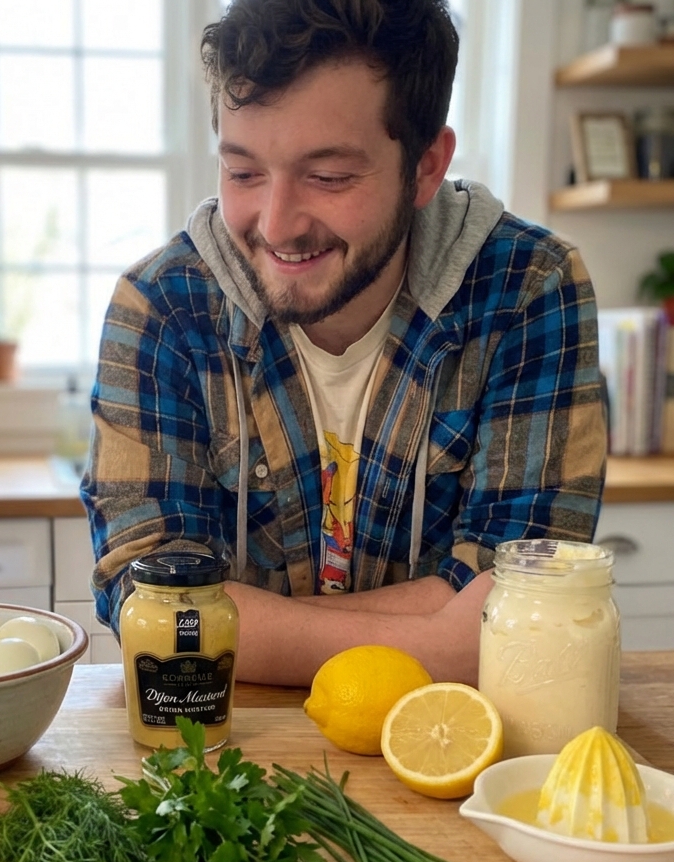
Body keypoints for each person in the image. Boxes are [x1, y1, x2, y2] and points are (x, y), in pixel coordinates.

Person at [80, 0, 606, 687]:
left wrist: (253, 626)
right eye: (243, 172)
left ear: (425, 168)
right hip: (226, 743)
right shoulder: (161, 305)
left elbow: (533, 597)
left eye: (327, 177)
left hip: (450, 744)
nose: (276, 224)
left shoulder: (529, 289)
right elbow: (151, 604)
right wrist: (444, 644)